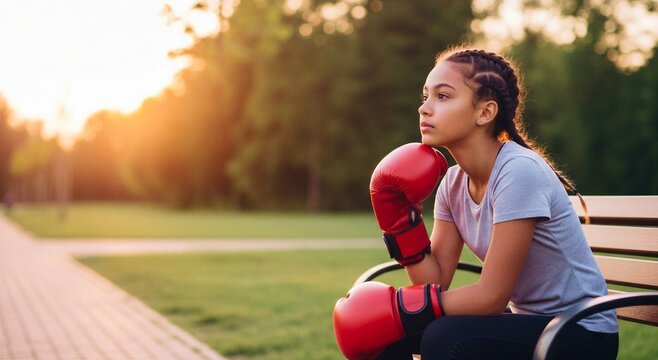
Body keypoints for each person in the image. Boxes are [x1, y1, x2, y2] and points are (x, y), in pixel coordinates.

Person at [333, 48, 619, 360]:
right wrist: (402, 227)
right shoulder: (453, 183)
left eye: (442, 96)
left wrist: (401, 310)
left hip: (581, 332)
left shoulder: (518, 172)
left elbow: (491, 298)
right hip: (531, 324)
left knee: (443, 336)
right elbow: (436, 282)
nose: (423, 108)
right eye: (425, 95)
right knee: (383, 335)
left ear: (485, 112)